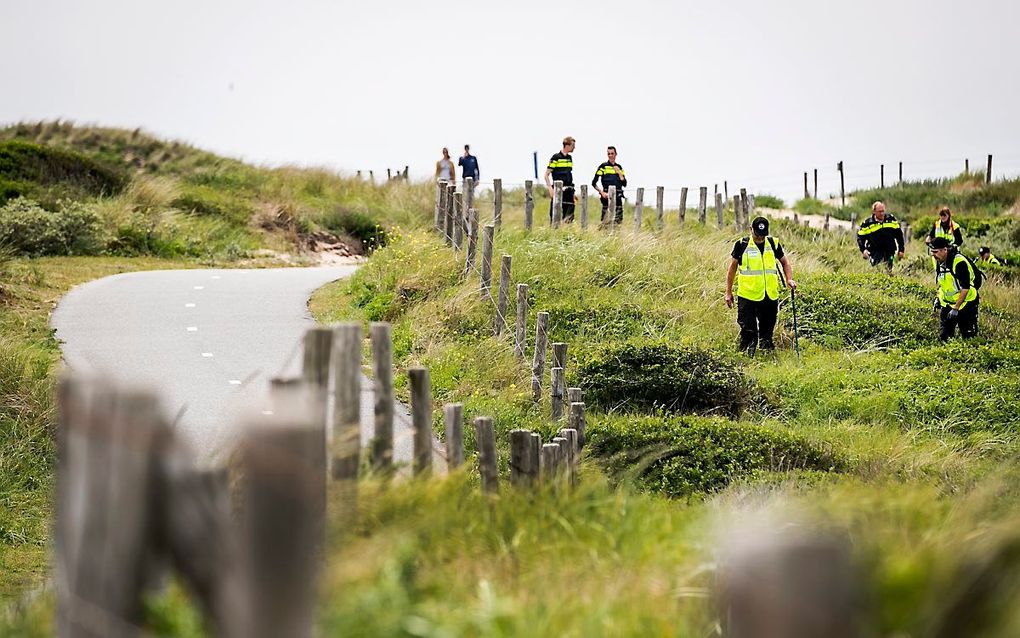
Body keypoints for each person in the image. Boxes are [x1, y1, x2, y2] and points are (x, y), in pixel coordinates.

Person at [725, 217, 797, 356]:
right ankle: (746, 356)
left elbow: (785, 263)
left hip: (769, 295)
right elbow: (732, 269)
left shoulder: (773, 244)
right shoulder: (742, 244)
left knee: (767, 330)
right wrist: (728, 292)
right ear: (751, 229)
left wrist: (789, 279)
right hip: (747, 295)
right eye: (757, 234)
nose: (760, 238)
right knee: (748, 329)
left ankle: (767, 355)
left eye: (762, 235)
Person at [930, 237, 979, 340]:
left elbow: (965, 288)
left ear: (945, 250)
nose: (933, 255)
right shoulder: (938, 261)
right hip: (948, 303)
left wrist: (956, 308)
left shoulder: (959, 262)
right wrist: (938, 298)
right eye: (932, 252)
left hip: (966, 303)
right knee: (944, 337)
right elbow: (943, 283)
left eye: (936, 252)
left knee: (968, 336)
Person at [856, 201, 904, 271]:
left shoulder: (891, 219)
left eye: (883, 211)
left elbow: (899, 235)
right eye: (879, 212)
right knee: (878, 270)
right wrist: (863, 250)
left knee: (889, 270)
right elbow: (860, 238)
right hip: (875, 253)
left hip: (890, 251)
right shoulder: (867, 224)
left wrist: (901, 249)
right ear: (874, 212)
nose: (882, 214)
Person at [592, 146, 627, 225]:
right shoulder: (603, 166)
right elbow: (594, 183)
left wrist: (619, 173)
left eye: (612, 153)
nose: (610, 155)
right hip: (606, 197)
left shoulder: (619, 167)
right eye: (609, 154)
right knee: (605, 220)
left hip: (618, 196)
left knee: (618, 221)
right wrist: (601, 192)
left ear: (616, 154)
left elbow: (624, 184)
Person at [544, 136, 576, 223]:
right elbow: (546, 175)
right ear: (567, 145)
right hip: (558, 190)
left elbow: (569, 175)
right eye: (573, 145)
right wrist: (551, 189)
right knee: (555, 215)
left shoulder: (570, 158)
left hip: (569, 191)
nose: (574, 147)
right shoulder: (556, 157)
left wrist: (573, 193)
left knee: (569, 217)